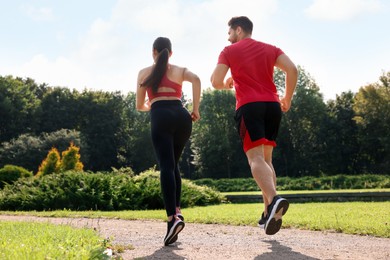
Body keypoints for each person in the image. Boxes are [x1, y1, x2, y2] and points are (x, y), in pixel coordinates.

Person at [210, 16, 298, 235]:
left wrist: (226, 83)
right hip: (272, 106)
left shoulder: (229, 51)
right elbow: (292, 69)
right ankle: (268, 212)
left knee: (255, 159)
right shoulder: (271, 49)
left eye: (229, 32)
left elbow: (214, 81)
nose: (228, 37)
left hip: (249, 107)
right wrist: (287, 98)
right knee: (267, 160)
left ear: (238, 30)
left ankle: (275, 199)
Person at [136, 37, 201, 246]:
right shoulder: (180, 71)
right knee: (173, 166)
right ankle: (177, 214)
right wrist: (195, 109)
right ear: (170, 53)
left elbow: (139, 106)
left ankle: (172, 218)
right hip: (182, 117)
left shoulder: (144, 73)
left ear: (153, 51)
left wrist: (151, 104)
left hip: (160, 116)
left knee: (166, 167)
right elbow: (197, 79)